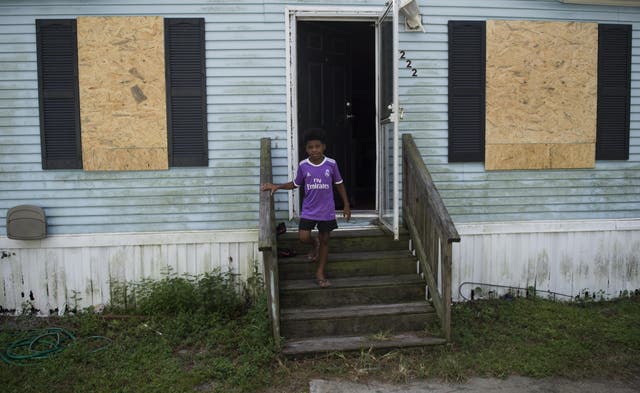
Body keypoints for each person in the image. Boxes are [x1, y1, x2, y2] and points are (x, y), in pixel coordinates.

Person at [261, 128, 351, 288]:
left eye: (317, 146)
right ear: (306, 149)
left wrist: (346, 204)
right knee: (303, 237)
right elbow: (295, 184)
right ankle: (313, 243)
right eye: (310, 147)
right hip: (309, 209)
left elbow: (339, 184)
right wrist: (277, 186)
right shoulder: (303, 165)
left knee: (325, 240)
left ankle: (320, 272)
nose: (314, 150)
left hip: (326, 211)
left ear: (324, 146)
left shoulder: (331, 164)